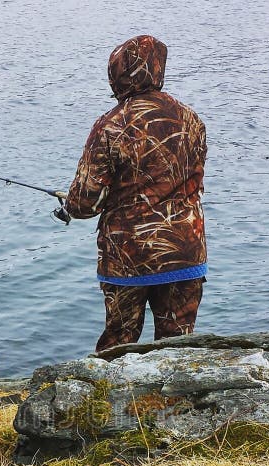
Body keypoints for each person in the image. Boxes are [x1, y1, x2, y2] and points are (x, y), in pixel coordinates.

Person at [62, 35, 208, 353]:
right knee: (178, 347)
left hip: (128, 256)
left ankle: (107, 387)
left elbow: (86, 202)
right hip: (185, 249)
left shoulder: (111, 125)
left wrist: (69, 205)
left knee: (118, 344)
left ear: (116, 73)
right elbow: (193, 180)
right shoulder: (191, 119)